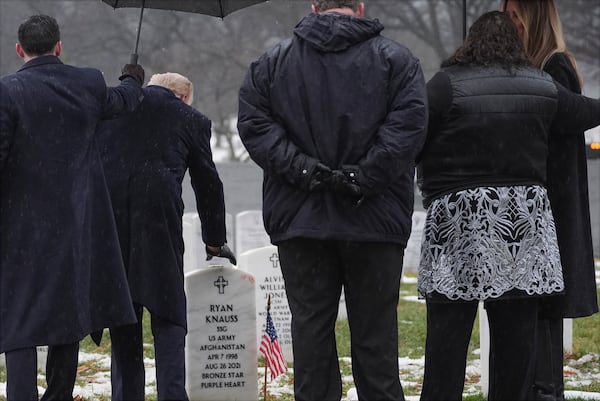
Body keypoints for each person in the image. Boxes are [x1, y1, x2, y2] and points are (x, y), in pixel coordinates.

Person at [237, 1, 428, 400]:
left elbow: (256, 127)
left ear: (313, 6)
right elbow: (407, 129)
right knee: (376, 342)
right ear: (359, 6)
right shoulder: (397, 61)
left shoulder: (272, 64)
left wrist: (305, 170)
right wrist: (362, 177)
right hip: (373, 221)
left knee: (311, 339)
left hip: (302, 220)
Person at [416, 10, 600, 401]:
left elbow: (412, 135)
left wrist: (431, 182)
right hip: (522, 224)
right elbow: (584, 113)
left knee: (446, 344)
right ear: (516, 45)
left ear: (469, 43)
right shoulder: (541, 86)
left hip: (456, 224)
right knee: (516, 346)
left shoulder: (445, 85)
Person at [0, 14, 145, 401]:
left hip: (21, 225)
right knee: (66, 312)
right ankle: (59, 394)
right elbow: (124, 101)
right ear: (59, 46)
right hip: (76, 223)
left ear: (20, 50)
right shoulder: (87, 83)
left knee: (20, 318)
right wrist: (132, 76)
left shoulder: (7, 91)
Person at [96, 72, 236, 401]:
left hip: (112, 229)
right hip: (158, 225)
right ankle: (172, 393)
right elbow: (208, 185)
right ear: (184, 97)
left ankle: (126, 394)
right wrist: (214, 239)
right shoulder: (190, 119)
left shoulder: (114, 109)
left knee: (124, 320)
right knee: (169, 315)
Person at [502, 2, 599, 399]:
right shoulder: (541, 66)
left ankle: (544, 389)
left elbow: (565, 116)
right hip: (539, 201)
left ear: (532, 19)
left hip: (550, 202)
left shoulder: (552, 66)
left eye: (514, 17)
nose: (510, 25)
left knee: (544, 305)